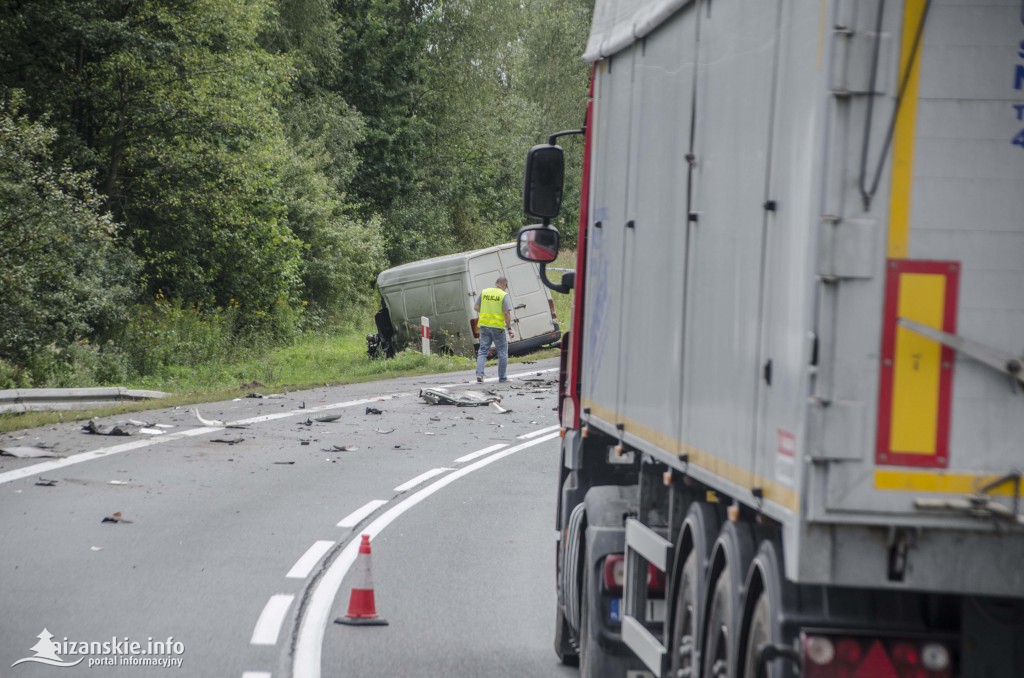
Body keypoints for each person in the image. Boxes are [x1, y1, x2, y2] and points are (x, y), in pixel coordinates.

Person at [474, 276, 514, 383]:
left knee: (482, 351)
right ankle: (502, 377)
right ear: (504, 284)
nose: (506, 288)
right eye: (506, 286)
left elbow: (476, 307)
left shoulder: (485, 292)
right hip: (497, 328)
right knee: (502, 353)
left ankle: (479, 374)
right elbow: (506, 313)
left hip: (484, 326)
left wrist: (487, 311)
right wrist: (509, 328)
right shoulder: (503, 295)